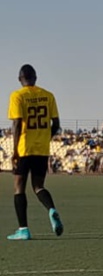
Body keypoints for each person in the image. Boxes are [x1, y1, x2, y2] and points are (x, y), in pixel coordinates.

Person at [6, 64, 64, 240]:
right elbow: (56, 125)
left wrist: (15, 151)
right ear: (35, 78)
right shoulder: (48, 96)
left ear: (20, 79)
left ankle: (23, 229)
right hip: (41, 148)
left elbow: (17, 123)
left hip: (24, 148)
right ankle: (51, 209)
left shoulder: (17, 96)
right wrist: (46, 137)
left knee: (19, 187)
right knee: (38, 186)